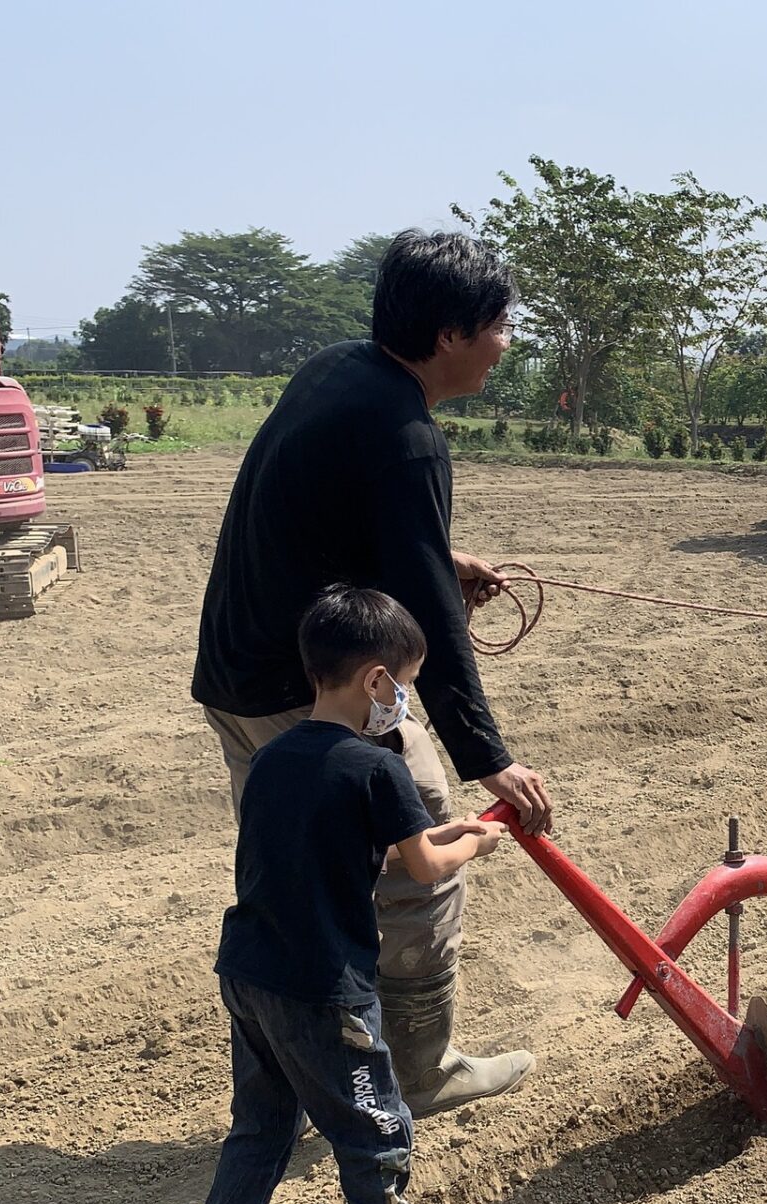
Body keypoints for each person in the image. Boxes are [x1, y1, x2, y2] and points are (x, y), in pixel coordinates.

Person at [192, 230, 553, 1117]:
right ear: (447, 336)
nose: (507, 341)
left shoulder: (338, 372)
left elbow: (340, 522)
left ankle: (292, 1072)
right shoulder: (408, 435)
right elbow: (429, 613)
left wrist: (437, 550)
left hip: (233, 678)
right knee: (418, 848)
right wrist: (485, 755)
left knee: (298, 868)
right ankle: (423, 1073)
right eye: (500, 325)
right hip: (307, 690)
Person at [158, 586, 510, 1204]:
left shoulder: (276, 755)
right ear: (377, 681)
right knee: (375, 1126)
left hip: (249, 969)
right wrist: (476, 840)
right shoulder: (376, 768)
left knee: (261, 1122)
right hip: (323, 986)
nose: (405, 703)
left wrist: (444, 833)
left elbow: (374, 846)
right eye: (406, 686)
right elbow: (420, 866)